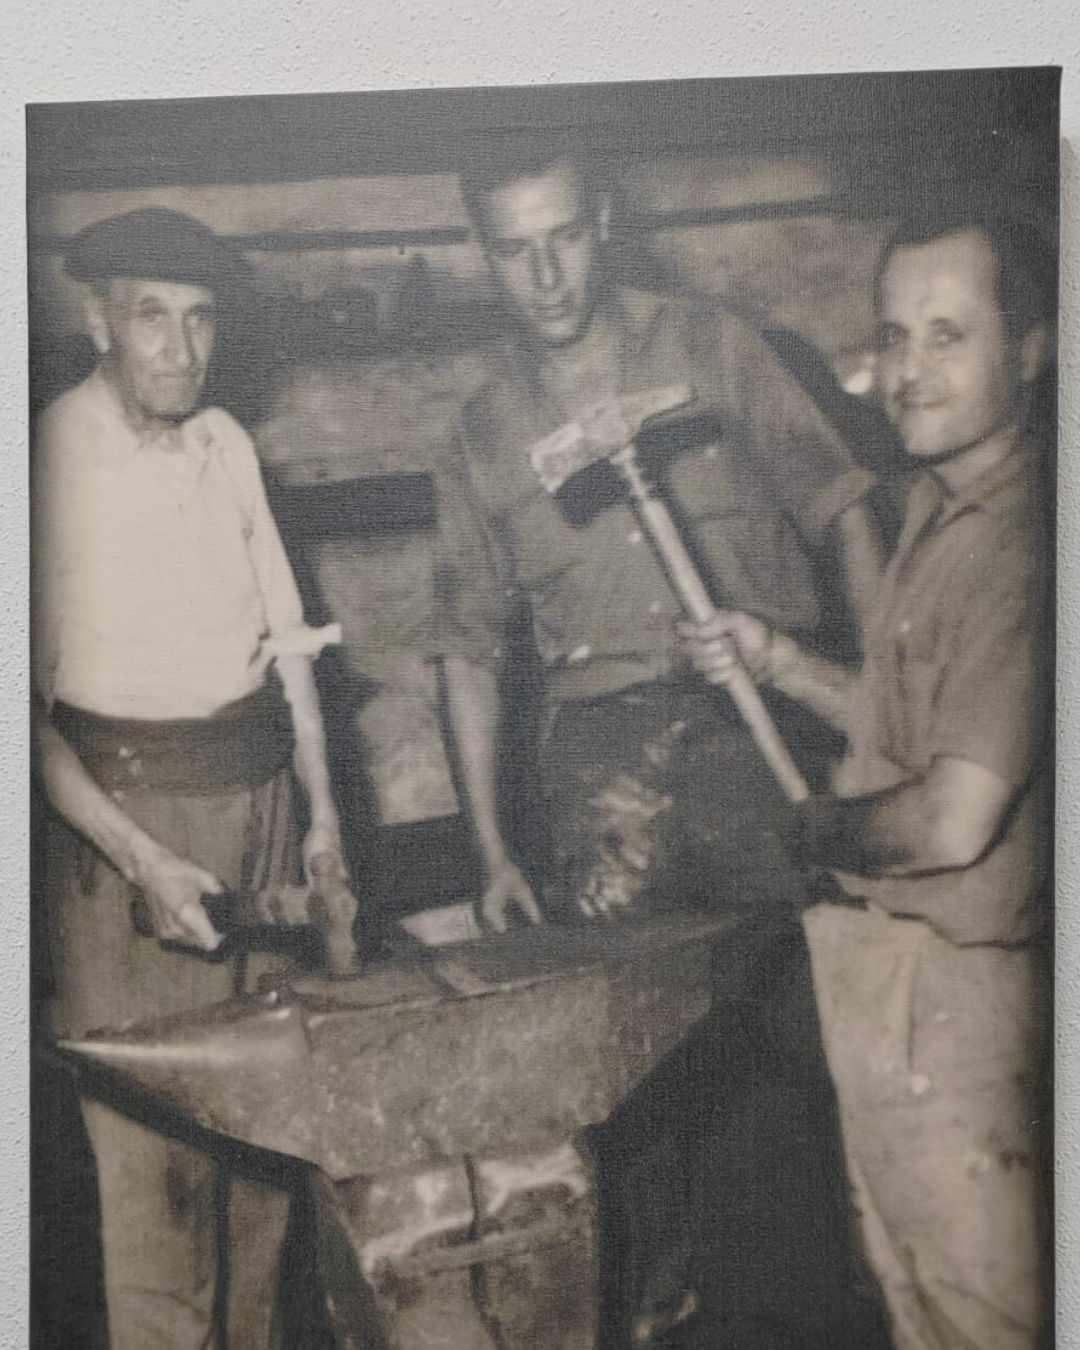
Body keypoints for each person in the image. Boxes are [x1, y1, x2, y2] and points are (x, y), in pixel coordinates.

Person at [430, 143, 883, 1337]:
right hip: (603, 778)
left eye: (564, 238)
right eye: (515, 250)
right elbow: (466, 653)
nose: (546, 275)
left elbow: (842, 508)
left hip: (758, 726)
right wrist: (491, 852)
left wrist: (884, 715)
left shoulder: (711, 346)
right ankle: (661, 1306)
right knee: (631, 1088)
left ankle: (867, 1290)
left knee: (820, 1039)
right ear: (483, 254)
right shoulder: (483, 434)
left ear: (602, 223)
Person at [680, 213, 1053, 1349]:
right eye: (893, 336)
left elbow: (950, 820)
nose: (908, 370)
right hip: (887, 982)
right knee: (912, 1301)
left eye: (949, 335)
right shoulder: (933, 508)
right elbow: (913, 733)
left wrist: (814, 834)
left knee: (985, 1313)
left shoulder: (1025, 545)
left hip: (959, 1000)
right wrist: (780, 662)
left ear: (1034, 348)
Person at [32, 207, 349, 1350]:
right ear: (97, 320)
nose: (181, 347)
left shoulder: (227, 444)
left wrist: (324, 821)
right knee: (155, 1178)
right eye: (151, 316)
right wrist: (144, 859)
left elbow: (288, 647)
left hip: (261, 814)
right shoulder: (51, 458)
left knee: (264, 1156)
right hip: (129, 834)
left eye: (202, 318)